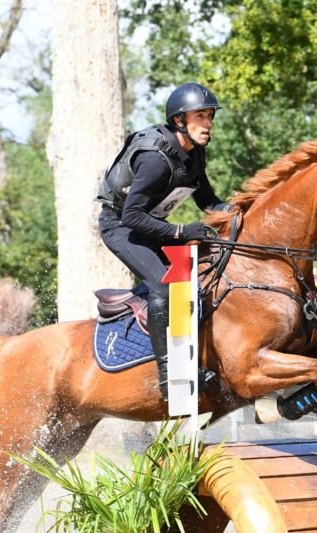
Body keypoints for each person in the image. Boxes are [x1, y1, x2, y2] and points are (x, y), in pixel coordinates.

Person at [96, 83, 229, 401]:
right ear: (180, 121)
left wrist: (243, 213)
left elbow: (208, 200)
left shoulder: (194, 153)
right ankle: (169, 376)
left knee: (208, 272)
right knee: (166, 285)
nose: (208, 123)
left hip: (152, 225)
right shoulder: (155, 160)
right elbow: (131, 217)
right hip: (121, 227)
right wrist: (182, 232)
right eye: (201, 116)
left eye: (210, 116)